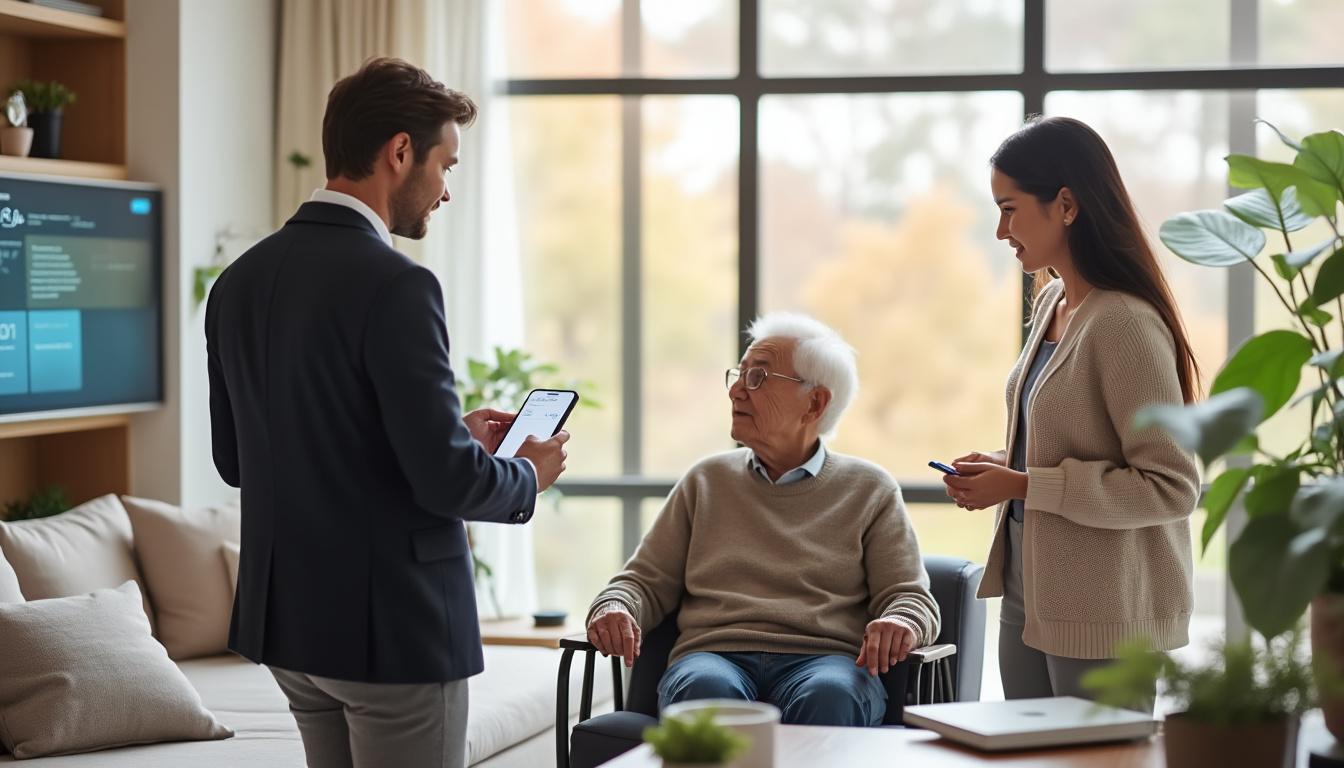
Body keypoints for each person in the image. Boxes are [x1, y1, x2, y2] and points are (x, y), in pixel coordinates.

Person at [205, 57, 569, 768]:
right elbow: (446, 485)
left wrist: (446, 438)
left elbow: (238, 459)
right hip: (393, 632)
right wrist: (524, 474)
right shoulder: (399, 285)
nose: (446, 191)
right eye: (446, 165)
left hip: (291, 628)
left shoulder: (238, 282)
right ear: (400, 153)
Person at [943, 116, 1201, 710]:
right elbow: (1064, 438)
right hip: (1027, 591)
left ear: (1065, 205)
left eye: (1009, 209)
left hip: (1103, 612)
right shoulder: (1056, 300)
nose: (1001, 229)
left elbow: (1170, 487)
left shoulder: (1125, 324)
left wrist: (1026, 484)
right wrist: (1005, 467)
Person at [585, 312, 939, 727]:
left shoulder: (870, 489)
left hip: (825, 661)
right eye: (739, 374)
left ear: (815, 402)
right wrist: (614, 606)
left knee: (832, 694)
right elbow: (642, 582)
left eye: (758, 378)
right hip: (714, 656)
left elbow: (912, 598)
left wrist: (901, 620)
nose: (736, 390)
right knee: (704, 690)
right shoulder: (706, 481)